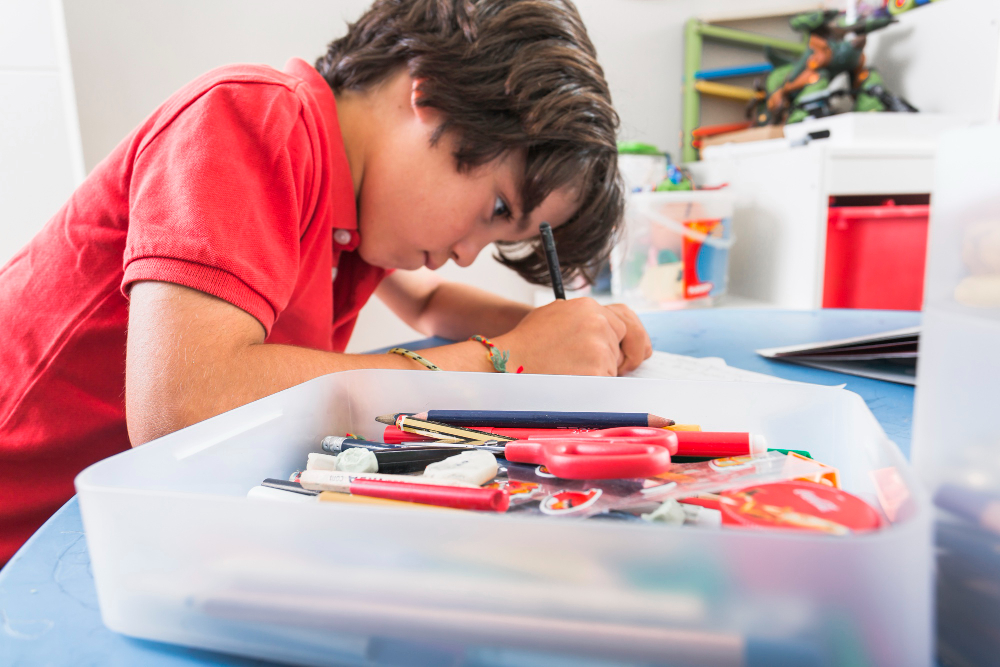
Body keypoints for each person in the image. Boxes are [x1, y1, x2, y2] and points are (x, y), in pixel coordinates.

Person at [0, 0, 650, 563]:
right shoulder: (251, 118)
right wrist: (508, 357)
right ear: (428, 94)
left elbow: (429, 304)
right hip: (24, 536)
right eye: (497, 208)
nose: (465, 254)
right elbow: (182, 404)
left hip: (116, 528)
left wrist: (559, 334)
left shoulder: (363, 218)